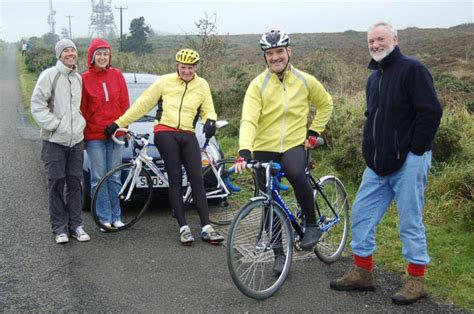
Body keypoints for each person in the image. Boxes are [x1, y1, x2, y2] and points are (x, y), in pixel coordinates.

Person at [329, 22, 443, 305]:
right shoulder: (373, 78)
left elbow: (430, 112)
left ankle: (416, 279)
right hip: (378, 166)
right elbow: (374, 117)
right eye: (371, 41)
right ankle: (363, 273)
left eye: (380, 39)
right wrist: (370, 151)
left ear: (395, 39)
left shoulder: (412, 70)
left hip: (410, 161)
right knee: (361, 213)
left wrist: (416, 152)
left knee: (410, 220)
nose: (375, 44)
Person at [234, 30, 333, 276]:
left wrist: (313, 132)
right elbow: (248, 119)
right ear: (265, 57)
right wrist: (245, 151)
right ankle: (278, 253)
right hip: (263, 146)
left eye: (280, 51)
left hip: (293, 144)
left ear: (289, 51)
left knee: (296, 174)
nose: (275, 57)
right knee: (268, 200)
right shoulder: (257, 85)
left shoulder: (304, 80)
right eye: (270, 53)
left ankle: (311, 225)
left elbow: (325, 103)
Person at [105, 48, 224, 246]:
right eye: (183, 67)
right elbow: (142, 104)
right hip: (164, 131)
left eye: (190, 68)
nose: (187, 71)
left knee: (196, 179)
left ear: (195, 68)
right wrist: (119, 123)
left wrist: (210, 120)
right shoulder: (164, 82)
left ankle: (206, 227)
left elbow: (208, 109)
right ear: (176, 65)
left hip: (188, 133)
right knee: (175, 177)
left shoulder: (202, 85)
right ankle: (183, 228)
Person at [31, 39, 90, 244]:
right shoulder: (49, 76)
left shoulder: (78, 78)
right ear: (59, 54)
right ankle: (59, 228)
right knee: (56, 183)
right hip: (54, 141)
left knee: (75, 183)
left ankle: (76, 226)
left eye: (73, 50)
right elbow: (37, 105)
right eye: (66, 50)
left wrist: (79, 124)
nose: (70, 53)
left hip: (76, 141)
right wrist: (56, 125)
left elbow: (77, 107)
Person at [81, 38, 129, 230]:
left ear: (110, 56)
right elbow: (82, 109)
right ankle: (103, 218)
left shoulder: (117, 75)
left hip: (116, 134)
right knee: (98, 177)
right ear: (92, 57)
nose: (102, 57)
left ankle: (116, 216)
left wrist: (124, 127)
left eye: (105, 54)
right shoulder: (84, 78)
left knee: (115, 176)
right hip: (94, 136)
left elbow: (125, 104)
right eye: (99, 54)